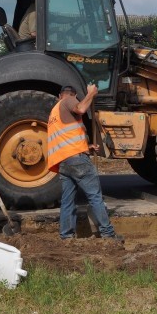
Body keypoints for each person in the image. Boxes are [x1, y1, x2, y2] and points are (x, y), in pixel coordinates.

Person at [47, 84, 122, 240]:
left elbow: (66, 138)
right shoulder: (68, 101)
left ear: (59, 95)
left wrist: (87, 147)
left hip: (65, 161)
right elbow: (80, 109)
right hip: (77, 160)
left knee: (67, 200)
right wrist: (91, 94)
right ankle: (108, 233)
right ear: (71, 96)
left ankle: (66, 236)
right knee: (95, 196)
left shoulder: (54, 112)